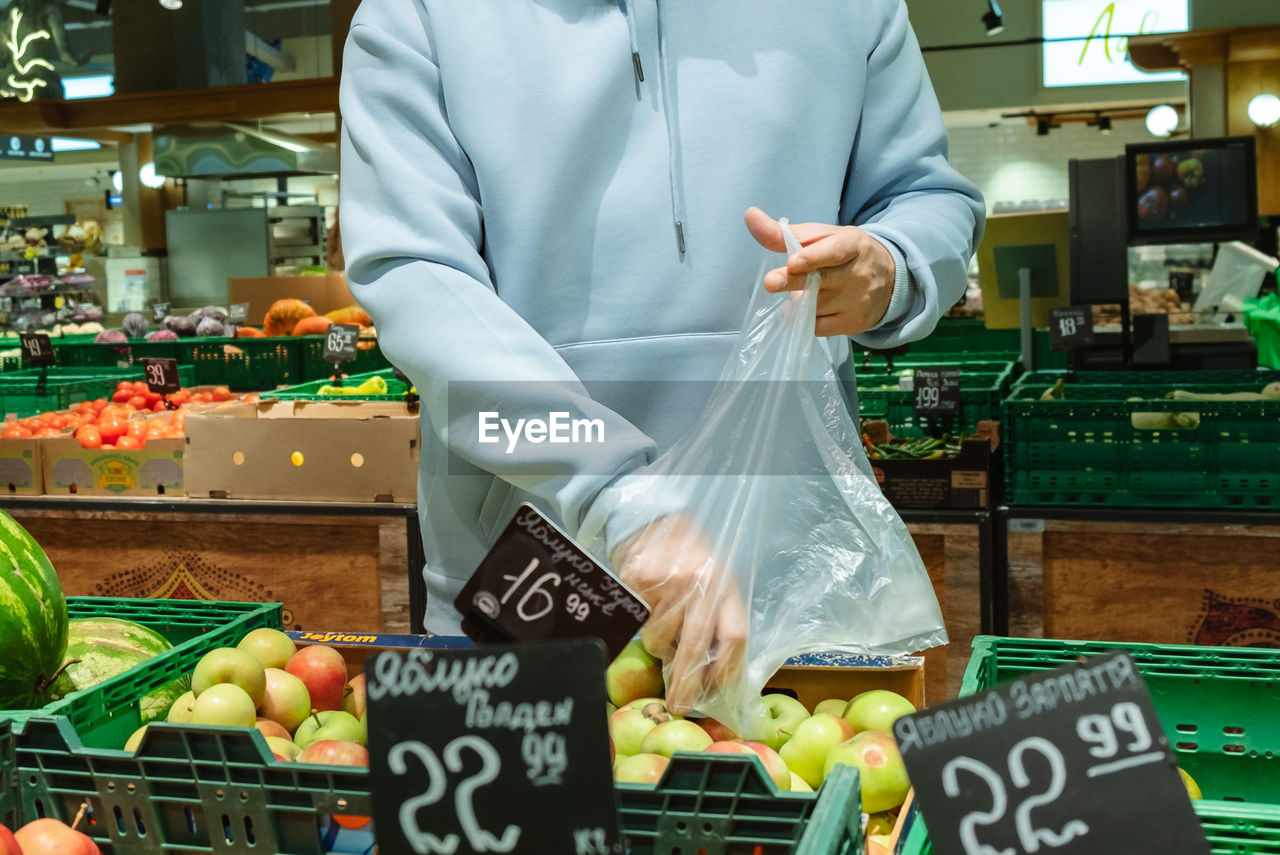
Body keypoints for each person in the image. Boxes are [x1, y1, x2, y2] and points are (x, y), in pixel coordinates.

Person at [340, 0, 985, 705]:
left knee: (809, 802)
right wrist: (615, 490)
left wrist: (894, 264)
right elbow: (418, 277)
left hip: (793, 577)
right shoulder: (419, 12)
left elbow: (928, 194)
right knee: (535, 812)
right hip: (529, 576)